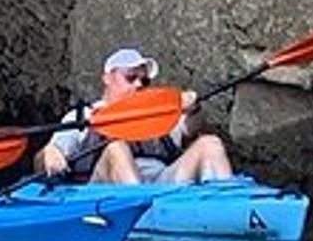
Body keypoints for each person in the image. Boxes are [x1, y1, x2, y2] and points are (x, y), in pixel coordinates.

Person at [35, 47, 232, 184]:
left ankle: (233, 206)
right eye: (130, 78)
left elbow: (191, 130)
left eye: (144, 81)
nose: (138, 85)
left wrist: (193, 109)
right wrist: (50, 152)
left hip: (160, 187)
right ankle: (139, 211)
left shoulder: (157, 114)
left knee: (210, 143)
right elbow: (42, 162)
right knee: (116, 149)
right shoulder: (83, 116)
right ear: (107, 78)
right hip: (106, 194)